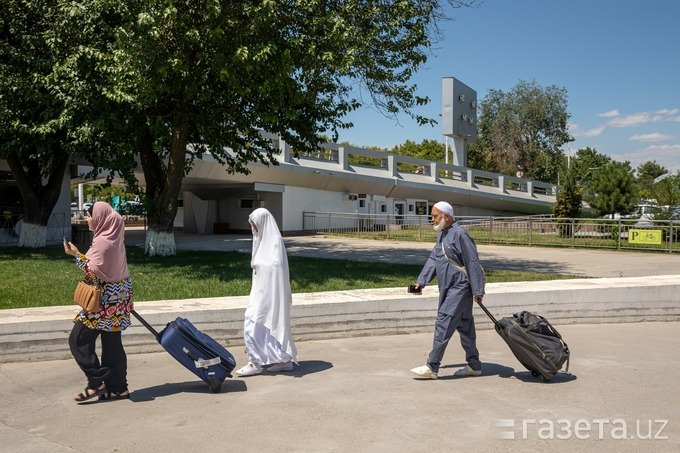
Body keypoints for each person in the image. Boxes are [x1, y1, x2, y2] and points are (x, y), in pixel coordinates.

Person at [64, 202, 133, 401]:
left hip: (103, 304)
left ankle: (97, 382)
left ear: (100, 217)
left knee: (78, 340)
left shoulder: (103, 242)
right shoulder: (115, 237)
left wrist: (75, 254)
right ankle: (119, 388)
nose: (87, 219)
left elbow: (93, 271)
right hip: (118, 299)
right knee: (112, 345)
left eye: (89, 215)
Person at [410, 201, 485, 380]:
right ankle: (474, 365)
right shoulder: (442, 235)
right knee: (465, 326)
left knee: (444, 322)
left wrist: (478, 289)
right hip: (448, 287)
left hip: (460, 287)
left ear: (447, 216)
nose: (432, 219)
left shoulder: (461, 234)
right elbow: (434, 259)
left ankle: (432, 366)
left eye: (435, 216)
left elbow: (472, 261)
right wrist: (421, 282)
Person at [235, 208, 298, 376]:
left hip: (270, 293)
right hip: (260, 291)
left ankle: (255, 362)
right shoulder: (262, 240)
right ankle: (283, 360)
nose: (254, 229)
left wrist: (259, 265)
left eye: (255, 225)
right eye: (252, 225)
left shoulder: (274, 240)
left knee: (253, 324)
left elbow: (275, 266)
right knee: (265, 326)